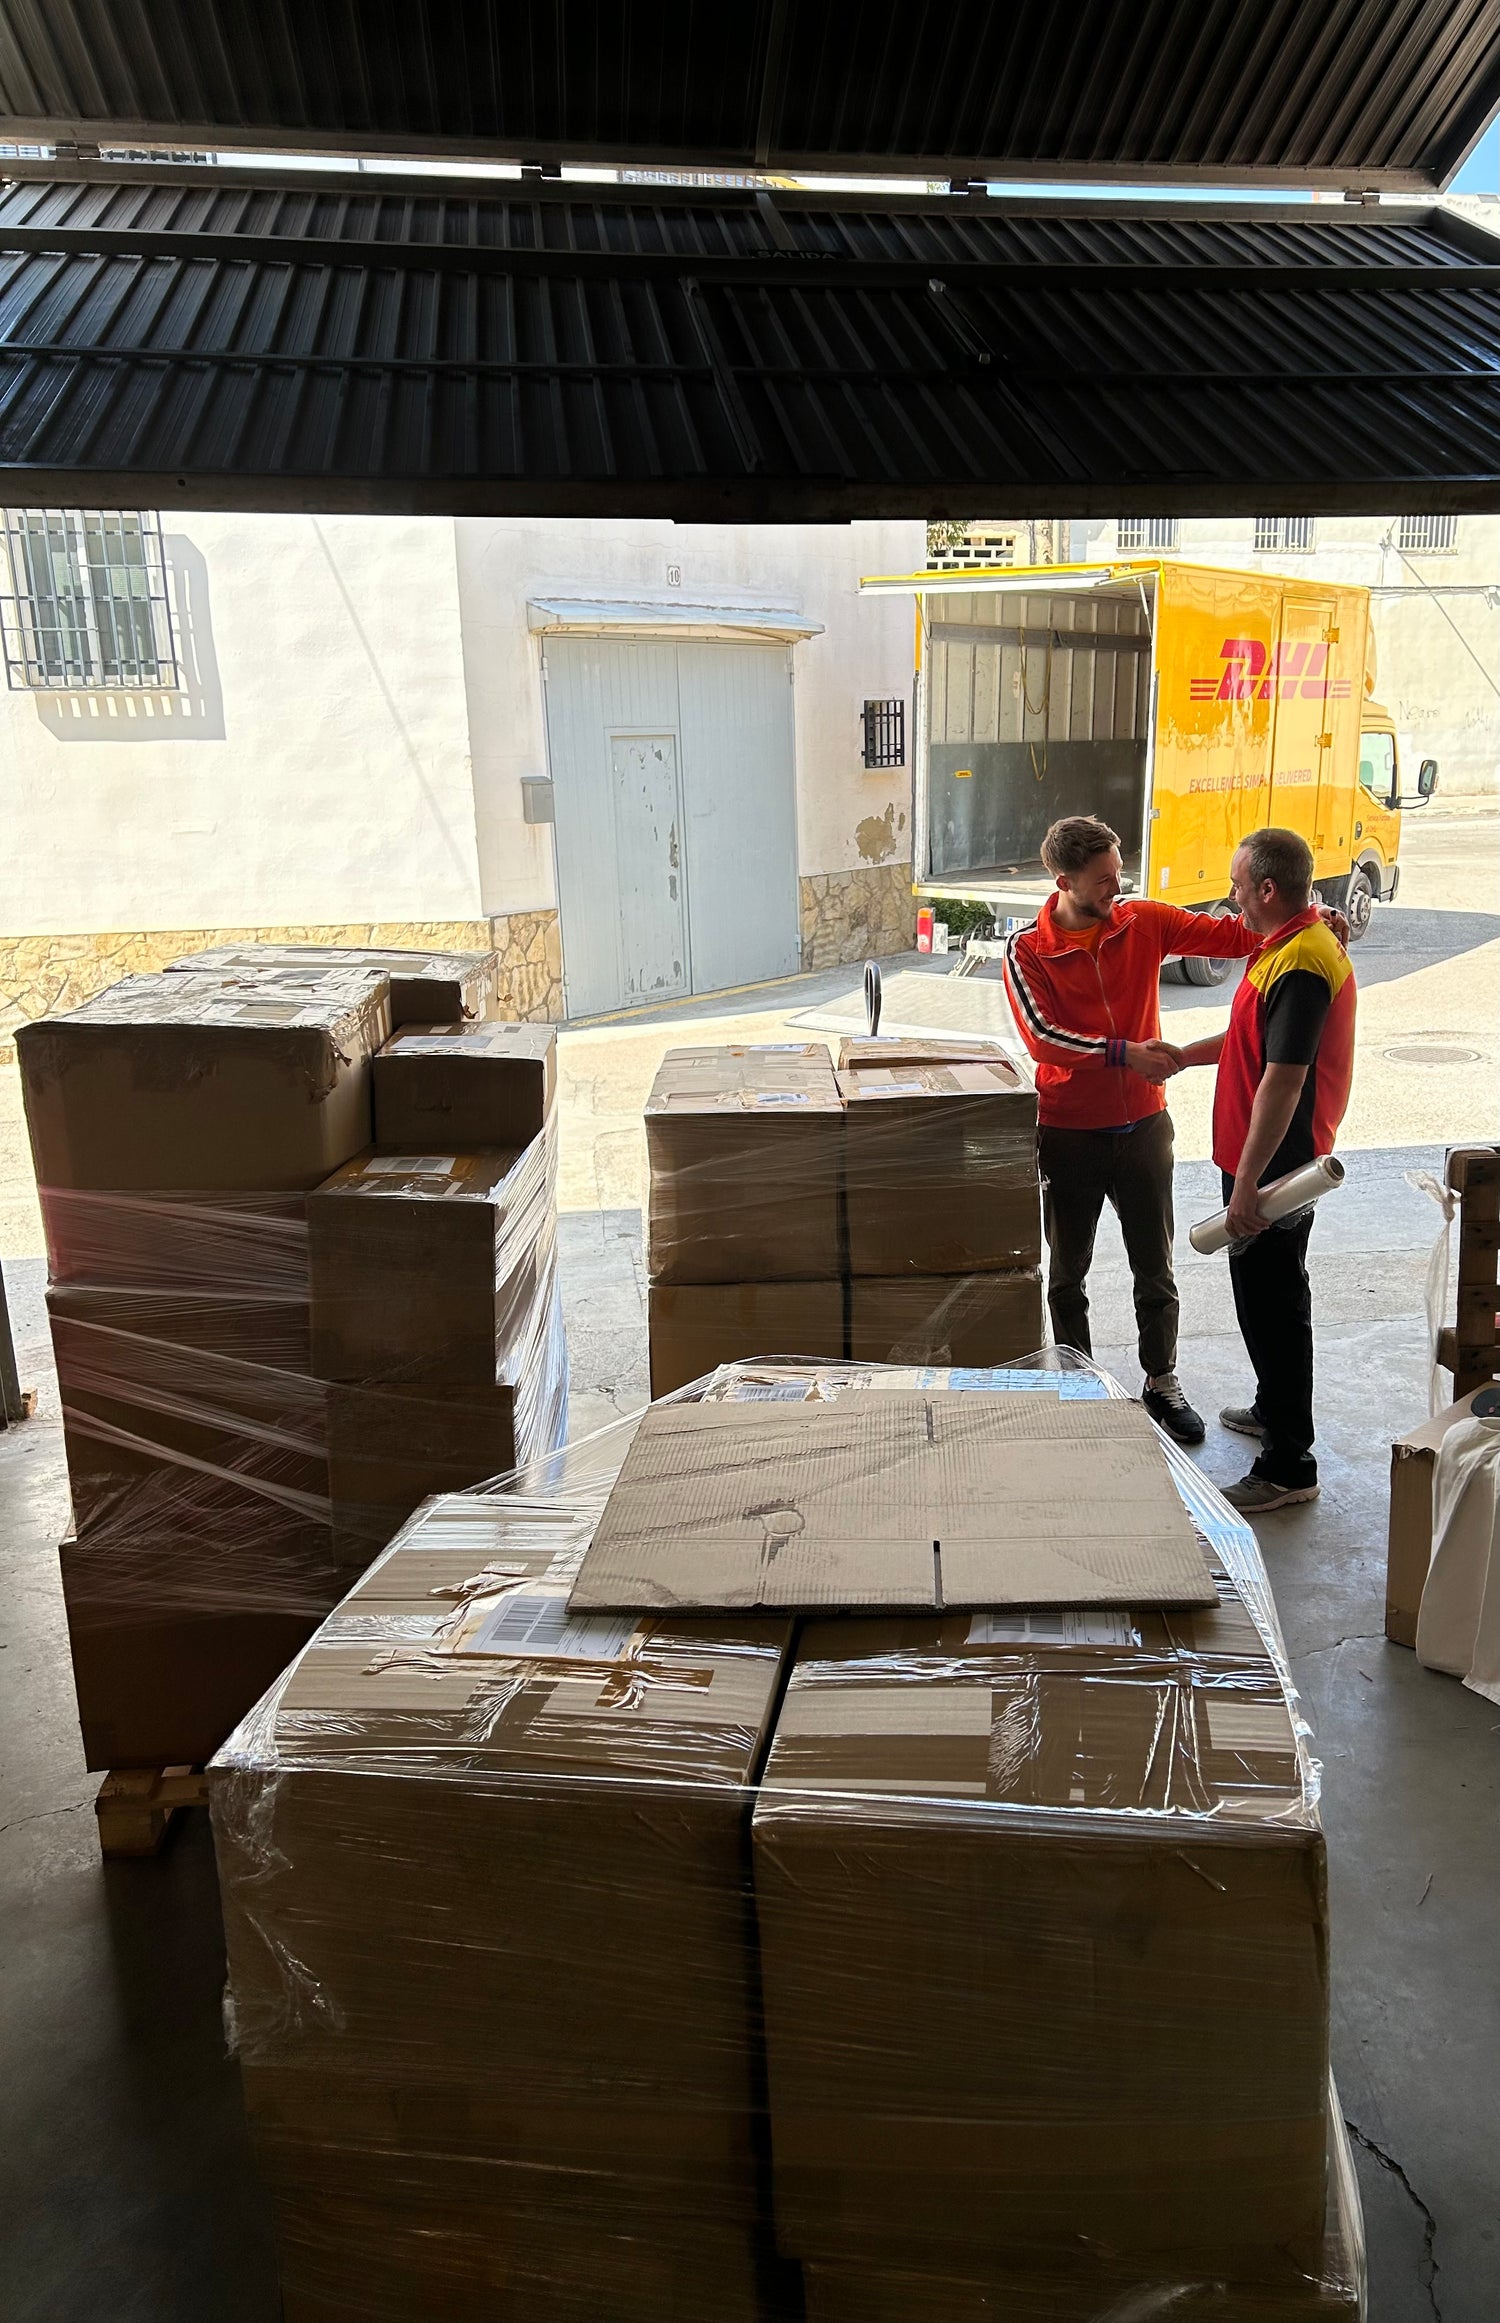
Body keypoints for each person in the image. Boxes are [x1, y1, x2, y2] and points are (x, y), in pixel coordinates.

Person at [1002, 814, 1264, 1445]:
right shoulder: (1026, 950)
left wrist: (1307, 923)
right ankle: (1078, 1381)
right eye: (1101, 881)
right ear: (1063, 881)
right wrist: (1125, 1053)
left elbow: (1232, 937)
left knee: (1156, 1267)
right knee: (1068, 1272)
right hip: (1069, 1132)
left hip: (1145, 1126)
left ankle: (1162, 1380)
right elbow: (1042, 1040)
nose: (1115, 889)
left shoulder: (1142, 920)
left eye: (1118, 874)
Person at [1170, 827, 1356, 1512]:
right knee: (1263, 1297)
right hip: (1258, 1157)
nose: (1232, 896)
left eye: (1239, 885)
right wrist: (1185, 1054)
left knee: (1276, 1304)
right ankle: (1272, 1405)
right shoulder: (1285, 947)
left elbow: (1282, 1080)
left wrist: (1248, 1183)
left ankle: (1288, 1464)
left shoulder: (1302, 961)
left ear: (1268, 888)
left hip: (1277, 1165)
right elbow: (1254, 1040)